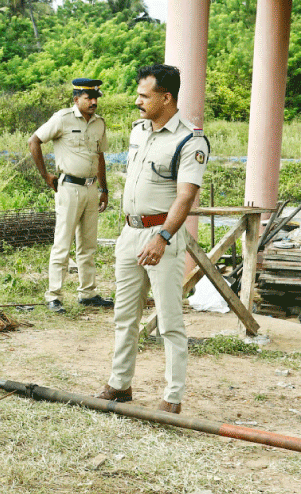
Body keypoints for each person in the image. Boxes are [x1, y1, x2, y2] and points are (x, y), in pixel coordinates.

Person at [96, 64, 209, 414]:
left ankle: (172, 397)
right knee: (124, 315)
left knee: (169, 321)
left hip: (161, 236)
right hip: (130, 233)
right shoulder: (139, 131)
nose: (138, 101)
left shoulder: (190, 141)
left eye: (145, 96)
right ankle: (119, 384)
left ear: (166, 97)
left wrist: (162, 237)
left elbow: (185, 197)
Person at [28, 78, 113, 314]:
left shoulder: (99, 123)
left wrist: (104, 189)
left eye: (96, 98)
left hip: (91, 188)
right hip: (69, 188)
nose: (94, 102)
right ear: (76, 99)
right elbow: (34, 141)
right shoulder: (62, 119)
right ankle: (54, 296)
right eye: (88, 98)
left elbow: (100, 157)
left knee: (88, 244)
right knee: (62, 243)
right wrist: (45, 175)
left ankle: (88, 293)